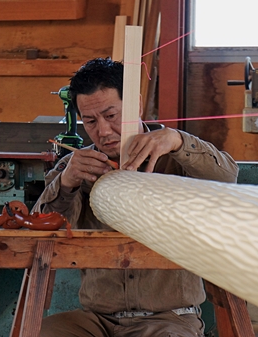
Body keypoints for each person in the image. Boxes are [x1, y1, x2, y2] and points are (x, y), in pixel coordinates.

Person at [32, 57, 239, 337]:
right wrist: (66, 182)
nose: (103, 131)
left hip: (168, 318)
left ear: (136, 105)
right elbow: (39, 230)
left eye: (111, 115)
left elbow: (228, 176)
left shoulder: (177, 158)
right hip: (97, 320)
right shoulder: (75, 167)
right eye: (90, 121)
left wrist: (178, 141)